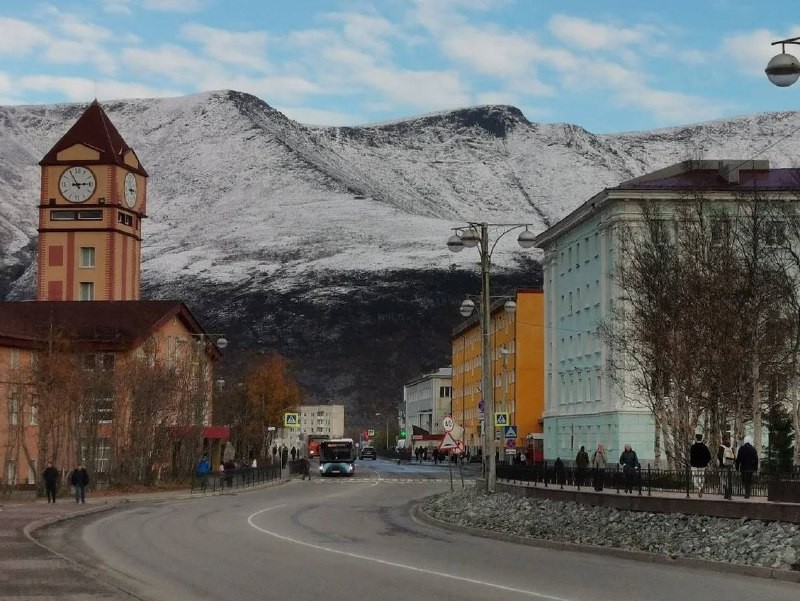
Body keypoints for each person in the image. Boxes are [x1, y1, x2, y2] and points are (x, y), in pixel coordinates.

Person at [735, 435, 759, 499]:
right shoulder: (753, 449)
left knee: (744, 480)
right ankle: (748, 493)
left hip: (743, 468)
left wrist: (737, 467)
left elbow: (738, 459)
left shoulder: (741, 448)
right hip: (750, 468)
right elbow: (756, 459)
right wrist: (755, 468)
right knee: (749, 480)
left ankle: (745, 491)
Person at [718, 433, 735, 500]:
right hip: (730, 466)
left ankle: (726, 492)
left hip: (723, 466)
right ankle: (729, 494)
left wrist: (721, 462)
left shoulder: (721, 447)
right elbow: (734, 457)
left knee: (722, 479)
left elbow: (719, 456)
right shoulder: (731, 447)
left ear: (723, 440)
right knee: (729, 480)